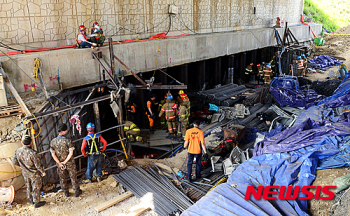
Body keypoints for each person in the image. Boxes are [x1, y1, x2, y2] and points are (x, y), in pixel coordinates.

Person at [12, 136, 46, 208]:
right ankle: (36, 202)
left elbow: (14, 162)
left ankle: (30, 200)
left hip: (25, 172)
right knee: (36, 187)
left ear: (22, 142)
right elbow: (38, 166)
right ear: (30, 143)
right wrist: (43, 172)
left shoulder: (17, 151)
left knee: (28, 186)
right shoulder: (33, 153)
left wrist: (21, 166)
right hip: (34, 174)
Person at [50, 123, 82, 197]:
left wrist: (59, 163)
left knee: (62, 178)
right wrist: (65, 161)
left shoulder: (53, 141)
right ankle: (76, 191)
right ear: (65, 131)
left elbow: (53, 154)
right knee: (73, 176)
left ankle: (66, 192)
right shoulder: (68, 140)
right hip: (69, 162)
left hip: (60, 164)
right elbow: (71, 153)